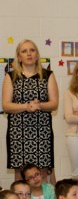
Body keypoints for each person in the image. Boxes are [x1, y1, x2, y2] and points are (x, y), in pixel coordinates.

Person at [2, 39, 59, 181]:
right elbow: (6, 105)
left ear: (37, 54)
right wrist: (26, 106)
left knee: (42, 171)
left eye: (32, 50)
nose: (29, 54)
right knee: (20, 172)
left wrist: (40, 106)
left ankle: (43, 197)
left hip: (42, 130)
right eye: (24, 51)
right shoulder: (11, 76)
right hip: (18, 131)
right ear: (19, 56)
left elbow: (54, 104)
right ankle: (20, 197)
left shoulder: (48, 75)